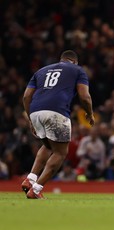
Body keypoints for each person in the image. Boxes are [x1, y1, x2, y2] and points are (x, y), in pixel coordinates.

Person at [21, 50, 95, 199]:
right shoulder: (78, 70)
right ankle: (36, 190)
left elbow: (26, 96)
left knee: (48, 146)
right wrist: (89, 113)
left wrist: (30, 118)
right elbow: (85, 96)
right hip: (57, 111)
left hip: (35, 111)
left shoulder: (41, 71)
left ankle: (30, 178)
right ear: (74, 61)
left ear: (61, 60)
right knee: (60, 153)